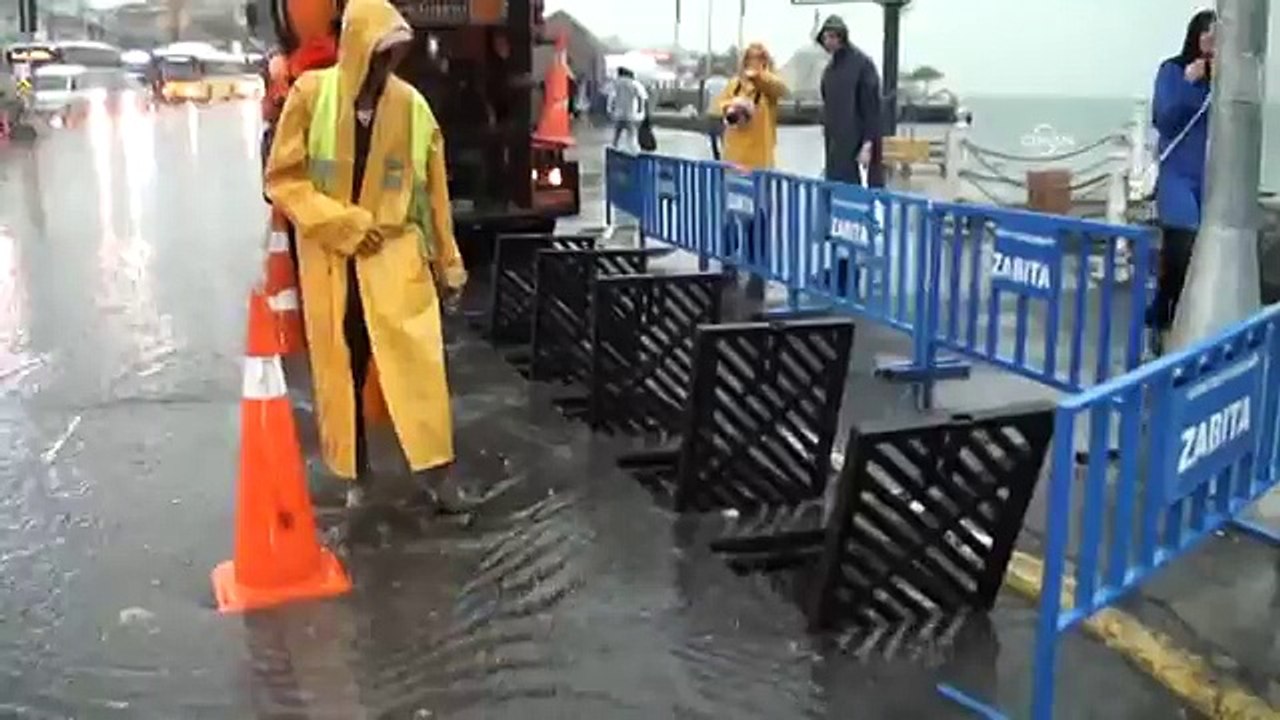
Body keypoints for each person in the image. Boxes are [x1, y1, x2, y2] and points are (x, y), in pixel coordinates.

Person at [265, 0, 471, 511]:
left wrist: (448, 265)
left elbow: (434, 195)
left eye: (393, 56)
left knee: (420, 368)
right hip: (333, 264)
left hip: (395, 259)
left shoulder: (411, 108)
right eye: (378, 54)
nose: (385, 66)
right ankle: (355, 476)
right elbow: (283, 179)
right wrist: (344, 224)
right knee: (343, 374)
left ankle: (438, 476)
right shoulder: (311, 96)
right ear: (358, 49)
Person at [1147, 9, 1215, 338]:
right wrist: (1190, 83)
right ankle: (1162, 315)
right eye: (1206, 33)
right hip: (1178, 173)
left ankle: (1187, 320)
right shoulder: (1172, 71)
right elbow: (1164, 118)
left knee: (1205, 254)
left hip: (1210, 177)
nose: (1211, 41)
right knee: (1181, 246)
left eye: (1218, 36)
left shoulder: (1224, 84)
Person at [714, 42, 788, 300]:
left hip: (759, 166)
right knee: (730, 216)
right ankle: (728, 265)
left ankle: (758, 270)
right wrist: (734, 106)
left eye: (760, 58)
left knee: (758, 218)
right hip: (733, 164)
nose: (754, 62)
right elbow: (718, 107)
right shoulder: (734, 85)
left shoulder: (769, 89)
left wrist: (759, 77)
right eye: (750, 58)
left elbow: (781, 89)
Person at [816, 15, 884, 188]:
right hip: (834, 143)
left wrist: (868, 143)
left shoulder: (862, 65)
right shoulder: (830, 70)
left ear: (842, 37)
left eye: (832, 36)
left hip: (858, 142)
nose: (828, 42)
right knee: (837, 187)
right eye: (825, 37)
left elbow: (872, 107)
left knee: (862, 189)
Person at [607, 67, 648, 153]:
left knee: (617, 134)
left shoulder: (616, 84)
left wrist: (610, 110)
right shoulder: (635, 84)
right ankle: (634, 151)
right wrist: (640, 110)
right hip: (631, 114)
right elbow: (642, 97)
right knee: (632, 135)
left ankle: (614, 149)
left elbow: (611, 98)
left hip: (619, 114)